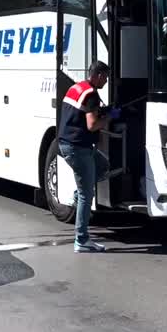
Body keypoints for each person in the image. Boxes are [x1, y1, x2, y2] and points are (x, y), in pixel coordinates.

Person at [58, 60, 119, 253]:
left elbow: (80, 112)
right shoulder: (91, 94)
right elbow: (92, 125)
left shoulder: (77, 88)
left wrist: (104, 110)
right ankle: (81, 240)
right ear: (98, 75)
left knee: (102, 166)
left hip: (67, 143)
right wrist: (110, 117)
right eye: (106, 77)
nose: (107, 81)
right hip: (78, 148)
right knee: (87, 194)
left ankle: (78, 196)